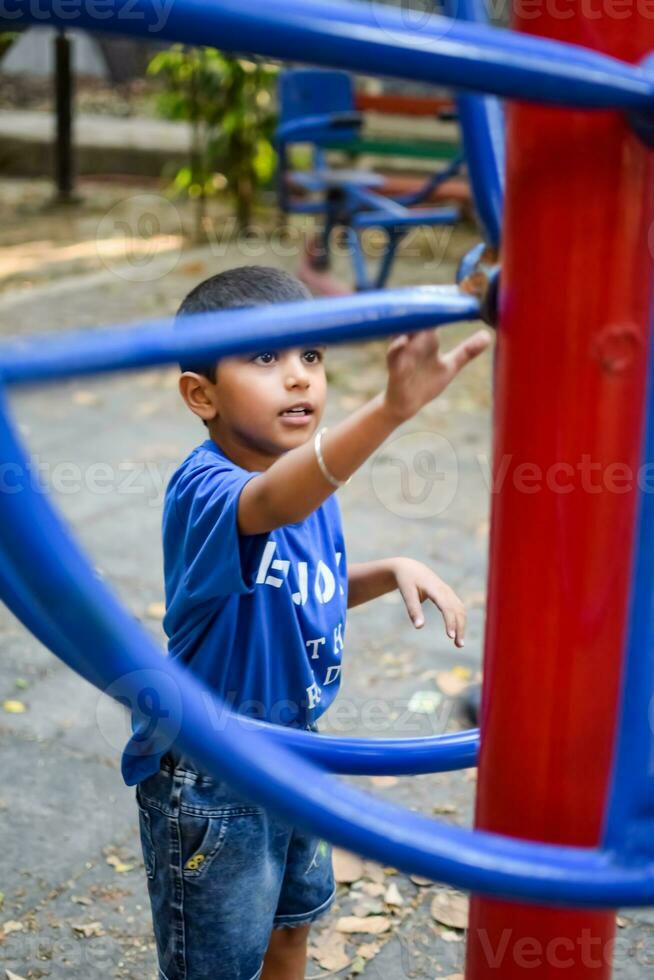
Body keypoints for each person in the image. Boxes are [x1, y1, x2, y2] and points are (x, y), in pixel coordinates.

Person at [121, 265, 491, 980]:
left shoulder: (305, 477)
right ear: (201, 394)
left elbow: (295, 589)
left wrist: (386, 572)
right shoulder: (208, 491)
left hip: (296, 748)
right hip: (213, 771)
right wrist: (390, 411)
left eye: (312, 356)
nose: (299, 378)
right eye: (266, 357)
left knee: (295, 926)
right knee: (220, 966)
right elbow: (273, 506)